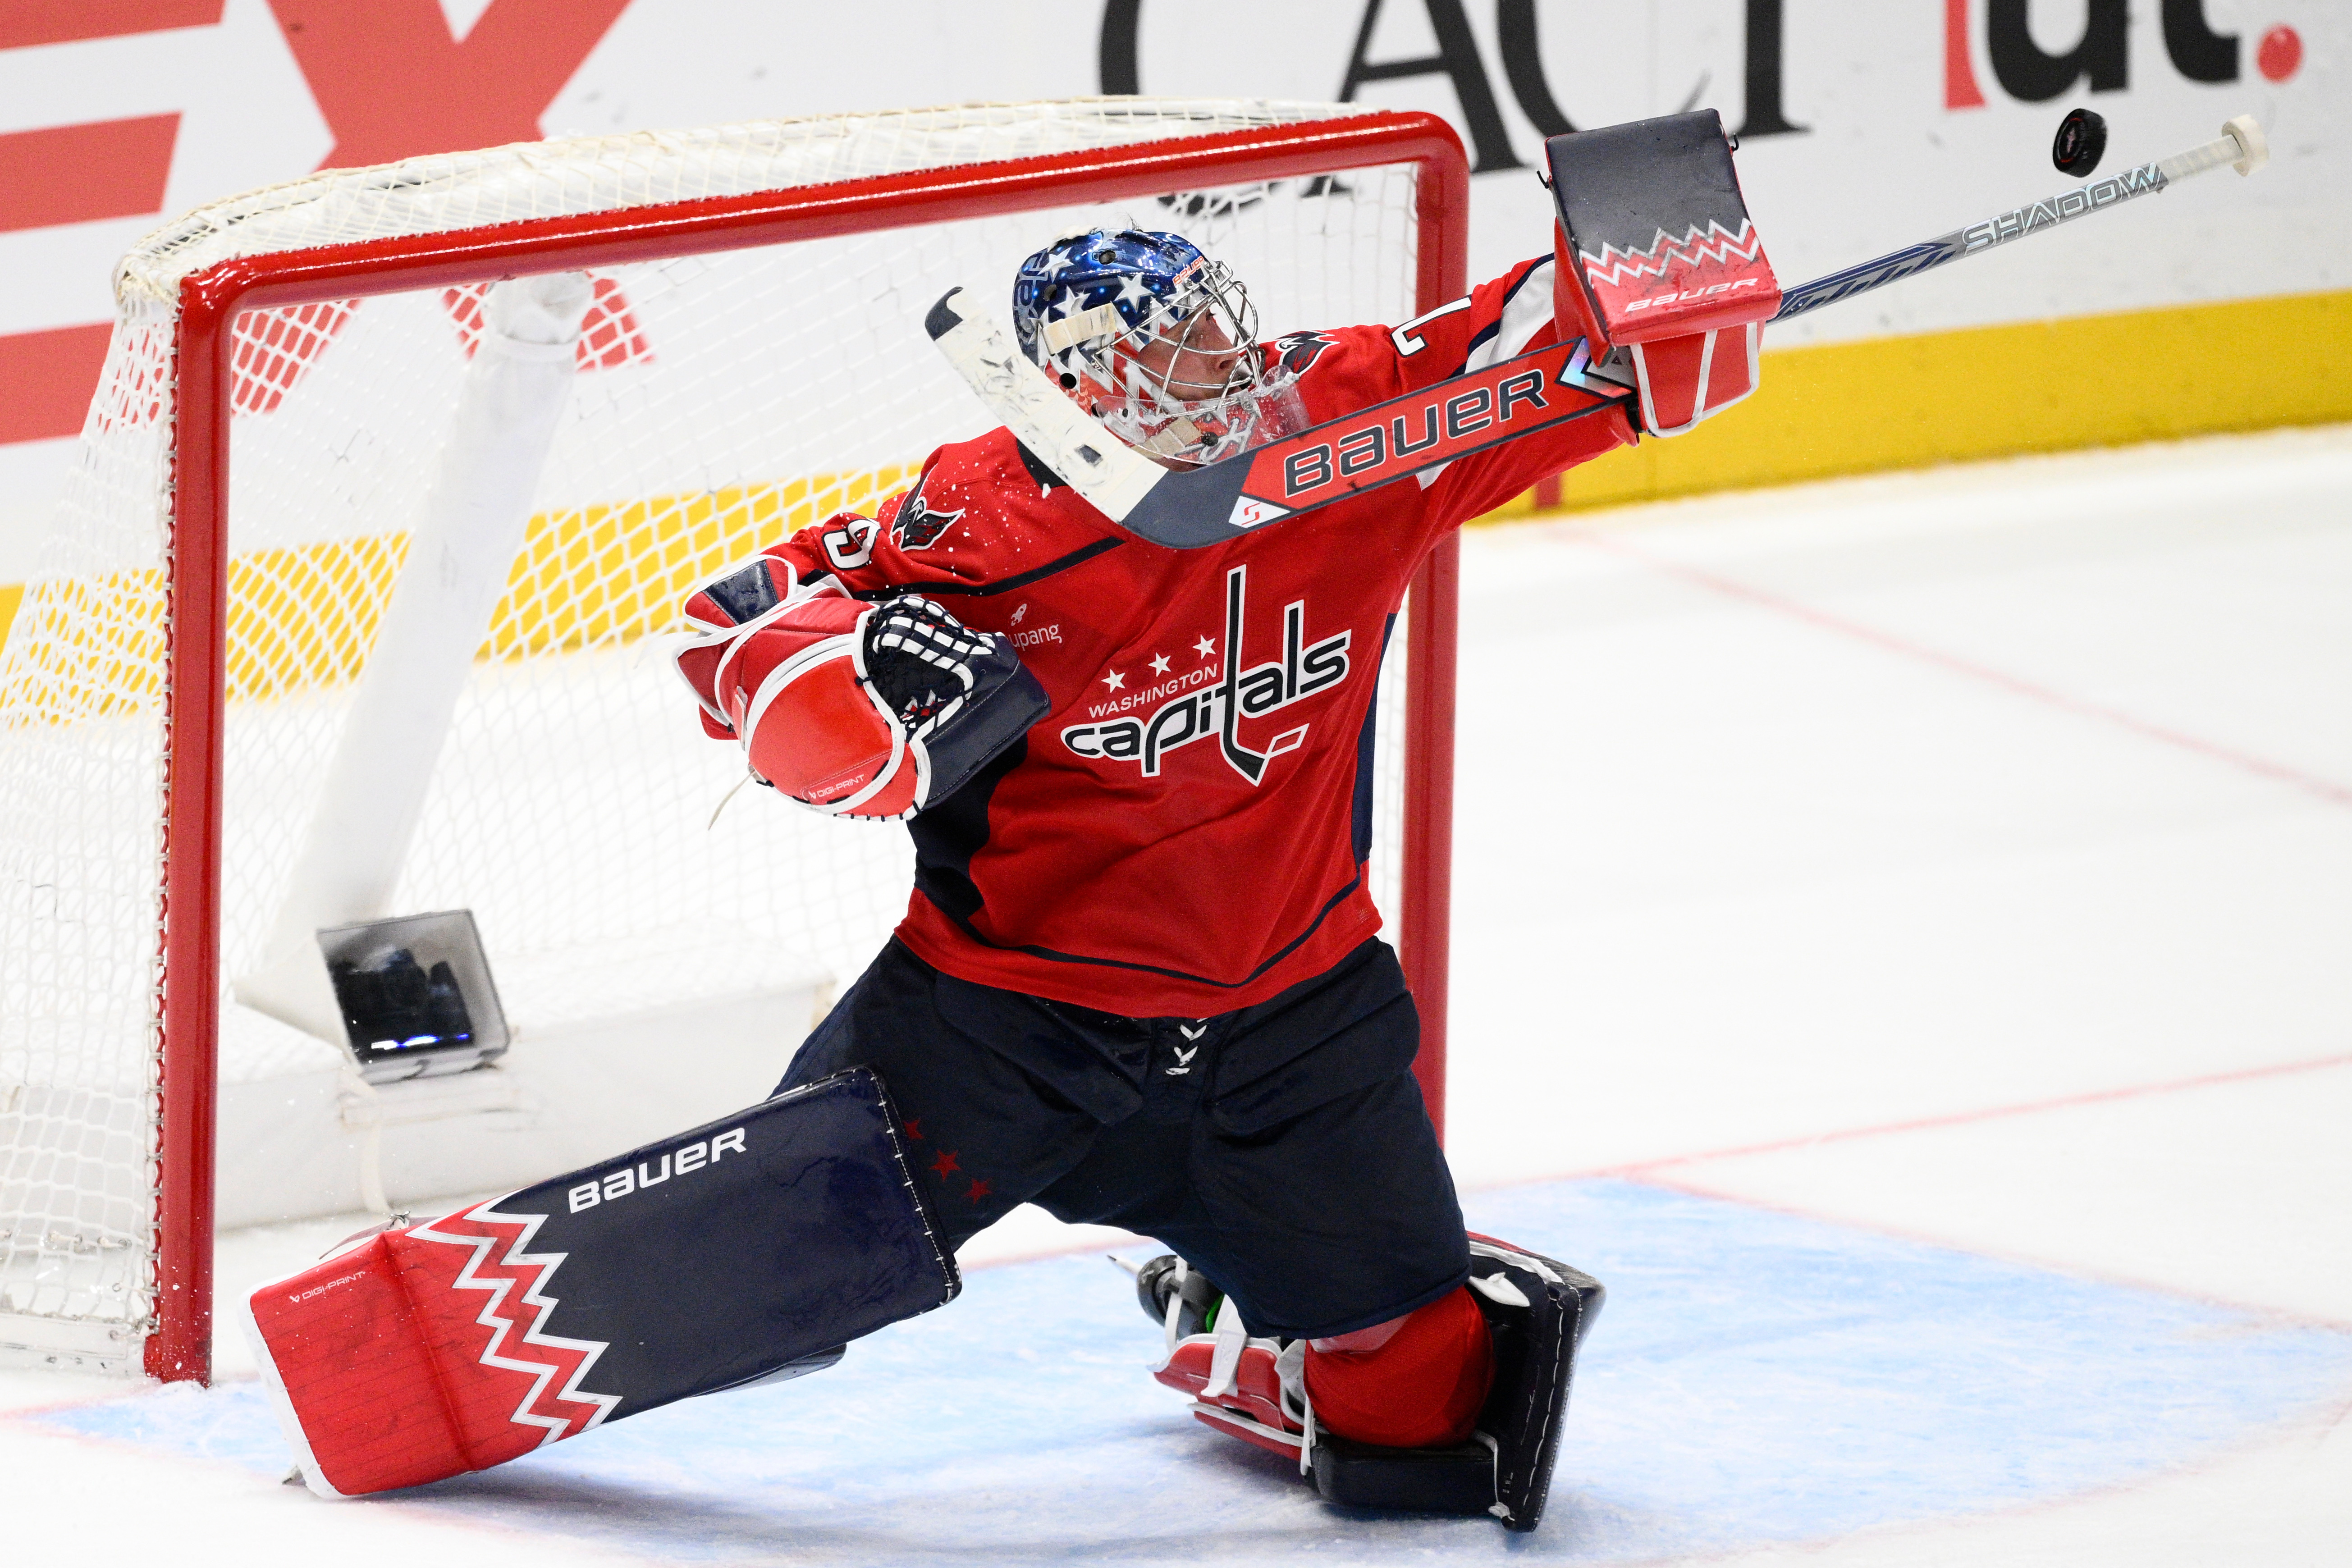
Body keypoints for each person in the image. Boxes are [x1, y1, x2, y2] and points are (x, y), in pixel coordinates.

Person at [667, 224, 1752, 1526]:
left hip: (1295, 1022)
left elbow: (1538, 337)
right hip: (1001, 1027)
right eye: (1175, 344)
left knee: (1414, 1424)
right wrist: (824, 682)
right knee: (753, 1289)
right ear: (1081, 380)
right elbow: (733, 617)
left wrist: (1658, 267)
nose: (1223, 362)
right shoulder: (984, 521)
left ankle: (1254, 1333)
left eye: (1215, 323)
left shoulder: (1345, 420)